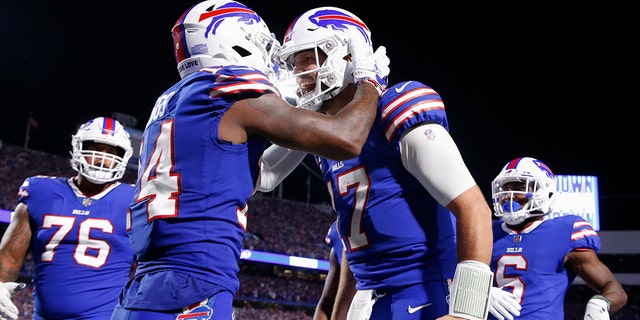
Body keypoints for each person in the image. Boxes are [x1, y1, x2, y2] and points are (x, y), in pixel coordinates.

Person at [111, 0, 389, 319]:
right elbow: (347, 138)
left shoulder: (174, 100)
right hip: (192, 290)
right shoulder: (227, 88)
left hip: (145, 287)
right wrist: (368, 80)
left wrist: (311, 110)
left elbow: (263, 174)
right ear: (232, 39)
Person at [257, 6, 511, 320]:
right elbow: (355, 240)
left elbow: (474, 206)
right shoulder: (328, 137)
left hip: (424, 294)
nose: (300, 71)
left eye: (309, 57)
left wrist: (467, 311)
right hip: (373, 298)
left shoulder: (396, 108)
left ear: (349, 55)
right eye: (295, 62)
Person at [0, 117, 136, 320]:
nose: (102, 159)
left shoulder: (134, 199)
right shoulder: (41, 191)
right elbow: (10, 255)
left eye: (112, 153)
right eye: (95, 149)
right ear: (78, 148)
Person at [488, 157, 627, 320]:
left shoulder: (565, 231)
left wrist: (600, 304)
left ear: (544, 191)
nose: (508, 196)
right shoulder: (485, 231)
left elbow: (614, 289)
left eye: (518, 187)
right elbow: (451, 278)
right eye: (505, 188)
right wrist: (479, 292)